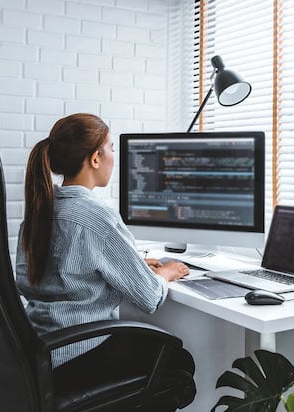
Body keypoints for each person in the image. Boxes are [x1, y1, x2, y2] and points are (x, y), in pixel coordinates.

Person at [16, 113, 194, 398]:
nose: (115, 156)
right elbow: (149, 298)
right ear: (95, 159)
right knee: (179, 363)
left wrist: (130, 265)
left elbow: (35, 277)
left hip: (39, 353)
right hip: (79, 354)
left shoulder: (39, 212)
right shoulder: (99, 219)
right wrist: (165, 272)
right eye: (111, 148)